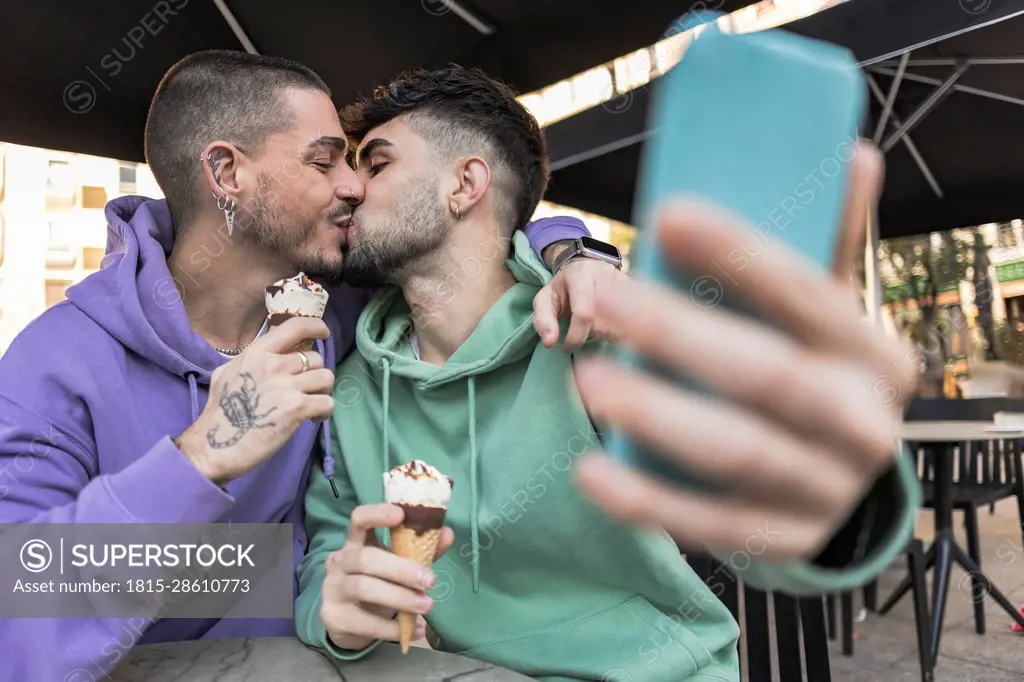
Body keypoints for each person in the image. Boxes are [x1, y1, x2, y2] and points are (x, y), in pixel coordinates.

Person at [296, 66, 920, 681]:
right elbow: (329, 552)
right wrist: (337, 615)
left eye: (376, 163)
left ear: (465, 185)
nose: (350, 188)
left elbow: (762, 486)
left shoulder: (594, 334)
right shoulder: (350, 390)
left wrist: (844, 502)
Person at [0, 51, 607, 682]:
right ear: (227, 171)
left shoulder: (340, 315)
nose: (353, 186)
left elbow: (470, 238)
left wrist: (572, 252)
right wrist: (202, 455)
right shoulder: (56, 362)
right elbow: (15, 623)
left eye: (356, 161)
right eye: (325, 161)